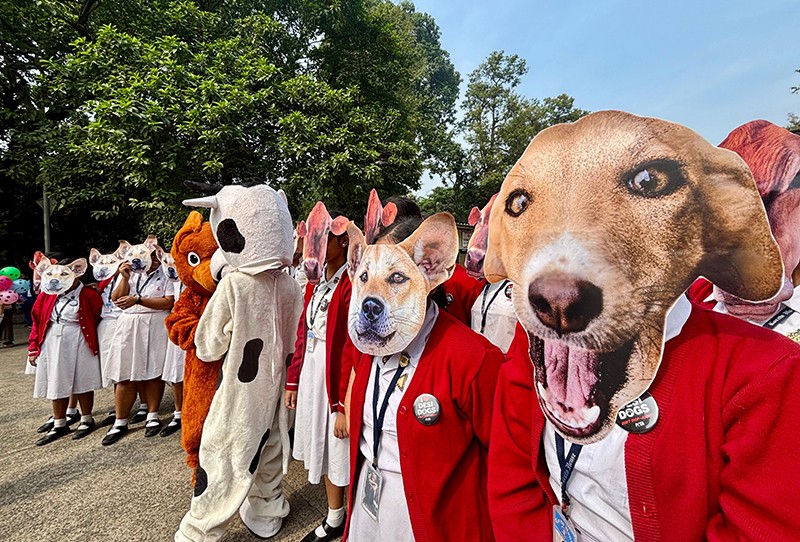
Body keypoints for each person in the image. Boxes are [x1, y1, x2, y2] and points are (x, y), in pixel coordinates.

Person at [344, 214, 502, 541]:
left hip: (433, 522)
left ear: (430, 267)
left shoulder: (472, 359)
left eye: (396, 277)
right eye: (365, 274)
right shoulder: (367, 343)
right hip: (368, 508)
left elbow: (505, 460)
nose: (374, 293)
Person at [286, 210, 356, 542]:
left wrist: (342, 402)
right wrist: (293, 378)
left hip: (335, 377)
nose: (317, 245)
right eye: (314, 239)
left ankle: (337, 517)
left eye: (324, 238)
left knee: (337, 446)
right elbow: (304, 331)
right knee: (322, 445)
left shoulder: (351, 284)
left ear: (343, 241)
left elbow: (350, 347)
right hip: (313, 370)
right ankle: (335, 513)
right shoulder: (315, 286)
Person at [102, 239, 174, 445]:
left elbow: (168, 302)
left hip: (154, 322)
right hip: (129, 323)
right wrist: (123, 278)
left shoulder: (166, 272)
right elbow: (117, 299)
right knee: (124, 374)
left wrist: (139, 300)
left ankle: (153, 415)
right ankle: (120, 421)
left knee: (153, 372)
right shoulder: (130, 274)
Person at [27, 258, 102, 445]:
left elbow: (97, 316)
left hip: (79, 337)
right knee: (56, 379)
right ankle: (59, 422)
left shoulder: (89, 295)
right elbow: (37, 320)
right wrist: (33, 347)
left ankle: (86, 418)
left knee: (82, 380)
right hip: (53, 338)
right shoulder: (47, 294)